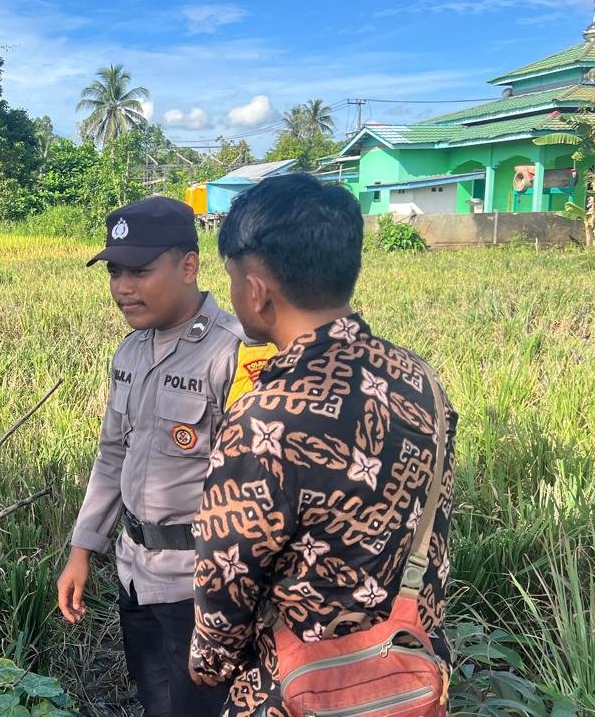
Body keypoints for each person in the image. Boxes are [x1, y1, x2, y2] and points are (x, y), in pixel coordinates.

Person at [189, 174, 456, 715]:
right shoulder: (420, 379)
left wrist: (209, 662)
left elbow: (227, 573)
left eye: (233, 279)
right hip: (407, 675)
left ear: (257, 290)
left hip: (299, 688)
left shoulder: (266, 418)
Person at [56, 196, 276, 717]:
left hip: (201, 587)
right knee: (155, 702)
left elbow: (261, 487)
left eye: (139, 271)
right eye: (114, 272)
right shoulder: (131, 351)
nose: (122, 287)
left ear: (188, 265)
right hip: (135, 572)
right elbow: (112, 455)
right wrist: (83, 549)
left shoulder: (236, 352)